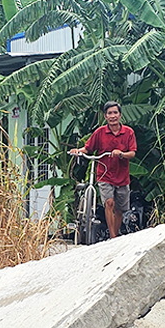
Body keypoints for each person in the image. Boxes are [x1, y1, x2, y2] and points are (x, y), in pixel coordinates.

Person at [68, 101, 137, 238]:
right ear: (105, 116)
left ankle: (115, 235)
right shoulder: (100, 132)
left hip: (122, 176)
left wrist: (121, 154)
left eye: (115, 113)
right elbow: (88, 148)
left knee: (120, 209)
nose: (113, 116)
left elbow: (133, 153)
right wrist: (78, 151)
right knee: (109, 202)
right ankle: (112, 237)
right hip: (104, 174)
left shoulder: (128, 132)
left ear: (120, 115)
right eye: (109, 113)